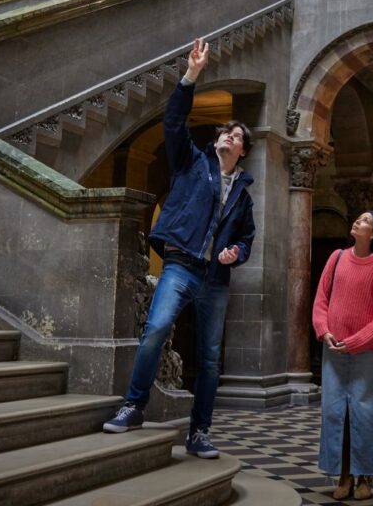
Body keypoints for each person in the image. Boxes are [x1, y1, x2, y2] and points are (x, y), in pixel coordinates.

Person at [102, 37, 256, 461]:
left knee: (208, 359)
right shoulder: (192, 162)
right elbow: (173, 122)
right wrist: (191, 75)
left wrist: (236, 254)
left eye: (236, 134)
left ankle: (199, 432)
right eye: (225, 131)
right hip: (181, 266)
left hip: (215, 279)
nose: (228, 135)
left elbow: (246, 239)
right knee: (156, 328)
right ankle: (134, 405)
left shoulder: (243, 195)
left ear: (242, 150)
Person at [312, 210, 373, 501]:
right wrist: (324, 331)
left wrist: (357, 341)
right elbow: (321, 299)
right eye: (358, 219)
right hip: (333, 351)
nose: (357, 223)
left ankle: (366, 477)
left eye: (364, 221)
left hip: (364, 354)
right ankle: (344, 474)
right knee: (336, 414)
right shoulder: (336, 258)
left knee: (365, 414)